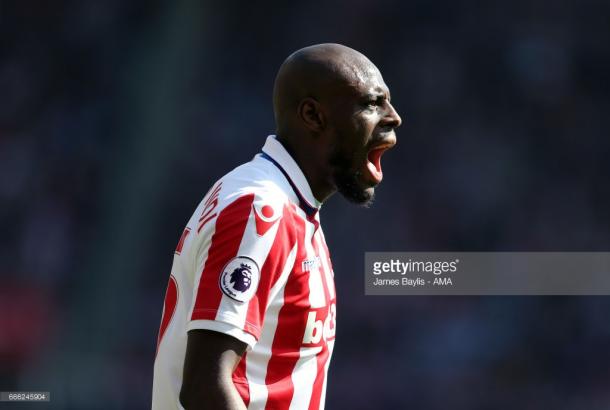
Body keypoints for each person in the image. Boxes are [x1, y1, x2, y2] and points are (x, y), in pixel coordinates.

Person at [152, 43, 402, 410]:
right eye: (371, 103)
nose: (393, 117)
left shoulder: (290, 207)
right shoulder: (260, 209)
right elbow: (205, 387)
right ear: (313, 116)